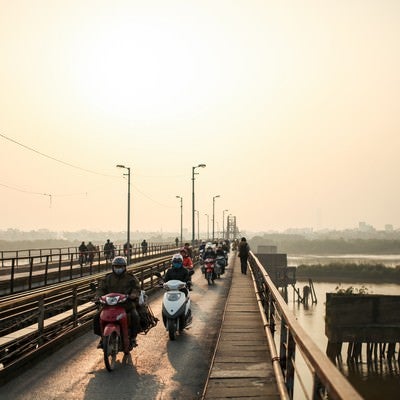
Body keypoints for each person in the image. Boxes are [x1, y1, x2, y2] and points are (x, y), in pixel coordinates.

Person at [94, 256, 141, 348]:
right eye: (116, 266)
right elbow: (101, 289)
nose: (118, 269)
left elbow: (136, 288)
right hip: (108, 305)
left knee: (135, 316)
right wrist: (98, 296)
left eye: (120, 267)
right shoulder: (108, 278)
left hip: (126, 304)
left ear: (125, 267)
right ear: (113, 267)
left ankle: (133, 337)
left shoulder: (130, 278)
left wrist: (133, 295)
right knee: (96, 317)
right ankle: (102, 337)